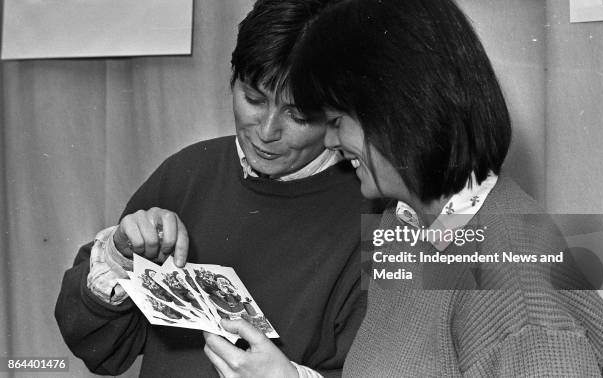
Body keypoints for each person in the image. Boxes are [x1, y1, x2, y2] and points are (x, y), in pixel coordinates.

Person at [283, 0, 603, 376]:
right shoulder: (403, 222)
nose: (327, 141)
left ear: (400, 112)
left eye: (337, 120)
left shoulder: (514, 285)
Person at [55, 0, 375, 376]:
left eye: (299, 115)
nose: (268, 131)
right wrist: (119, 259)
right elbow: (99, 348)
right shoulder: (188, 173)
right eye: (254, 99)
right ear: (231, 80)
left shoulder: (380, 213)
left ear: (339, 113)